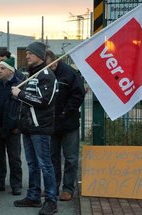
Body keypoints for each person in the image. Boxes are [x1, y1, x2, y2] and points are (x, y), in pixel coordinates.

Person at [12, 42, 58, 215]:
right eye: (27, 53)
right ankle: (33, 195)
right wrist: (18, 94)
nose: (27, 56)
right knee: (32, 164)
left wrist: (20, 94)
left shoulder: (47, 75)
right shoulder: (30, 75)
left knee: (45, 164)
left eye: (30, 53)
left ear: (39, 55)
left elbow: (44, 101)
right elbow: (26, 99)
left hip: (40, 128)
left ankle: (51, 201)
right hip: (28, 128)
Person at [45, 50, 85, 201]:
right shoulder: (45, 74)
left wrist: (65, 112)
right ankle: (53, 187)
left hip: (69, 123)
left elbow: (79, 95)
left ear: (55, 61)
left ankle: (68, 189)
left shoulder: (70, 73)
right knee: (52, 157)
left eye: (49, 65)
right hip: (51, 124)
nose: (47, 68)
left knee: (71, 158)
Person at [0, 56, 23, 196]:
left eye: (2, 68)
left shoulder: (19, 85)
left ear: (11, 71)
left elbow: (22, 108)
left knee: (14, 158)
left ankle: (16, 185)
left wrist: (17, 125)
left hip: (12, 129)